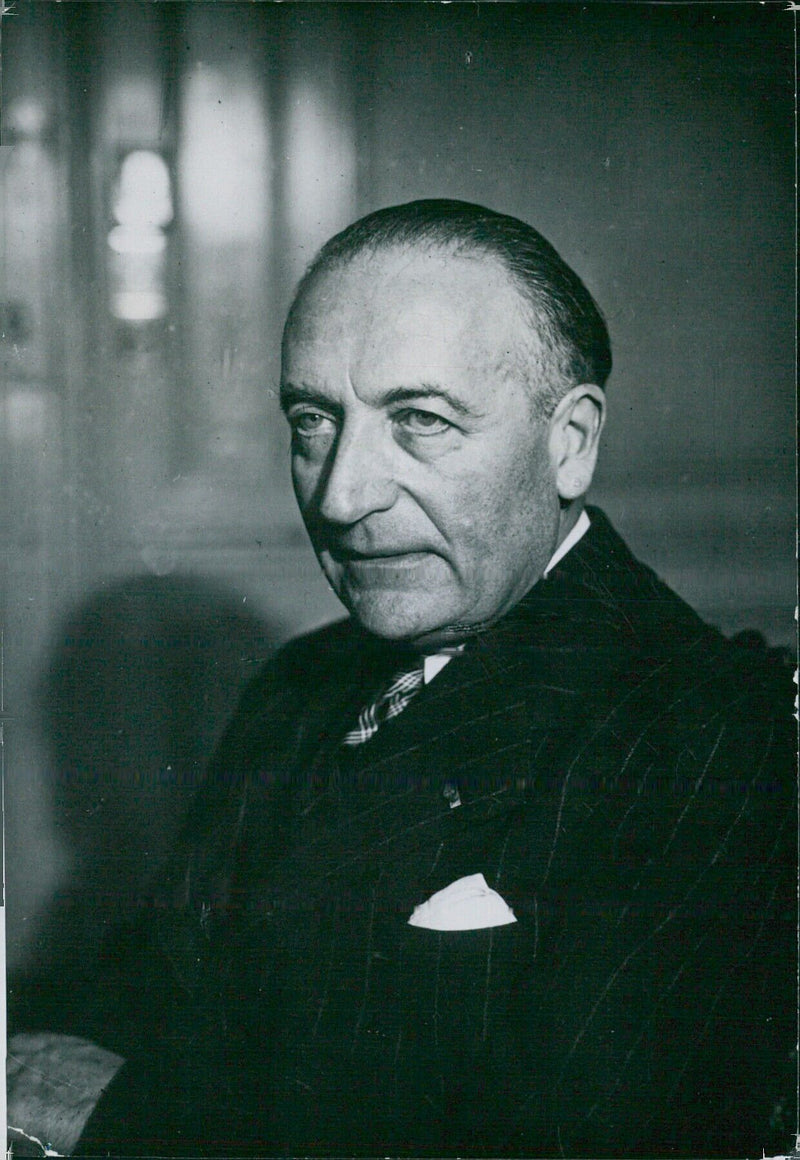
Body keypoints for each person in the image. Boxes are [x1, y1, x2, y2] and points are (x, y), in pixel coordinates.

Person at [19, 200, 798, 1157]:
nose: (342, 496)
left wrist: (124, 1120)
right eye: (314, 421)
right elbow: (135, 1000)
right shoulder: (300, 681)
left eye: (420, 421)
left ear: (571, 442)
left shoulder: (718, 731)